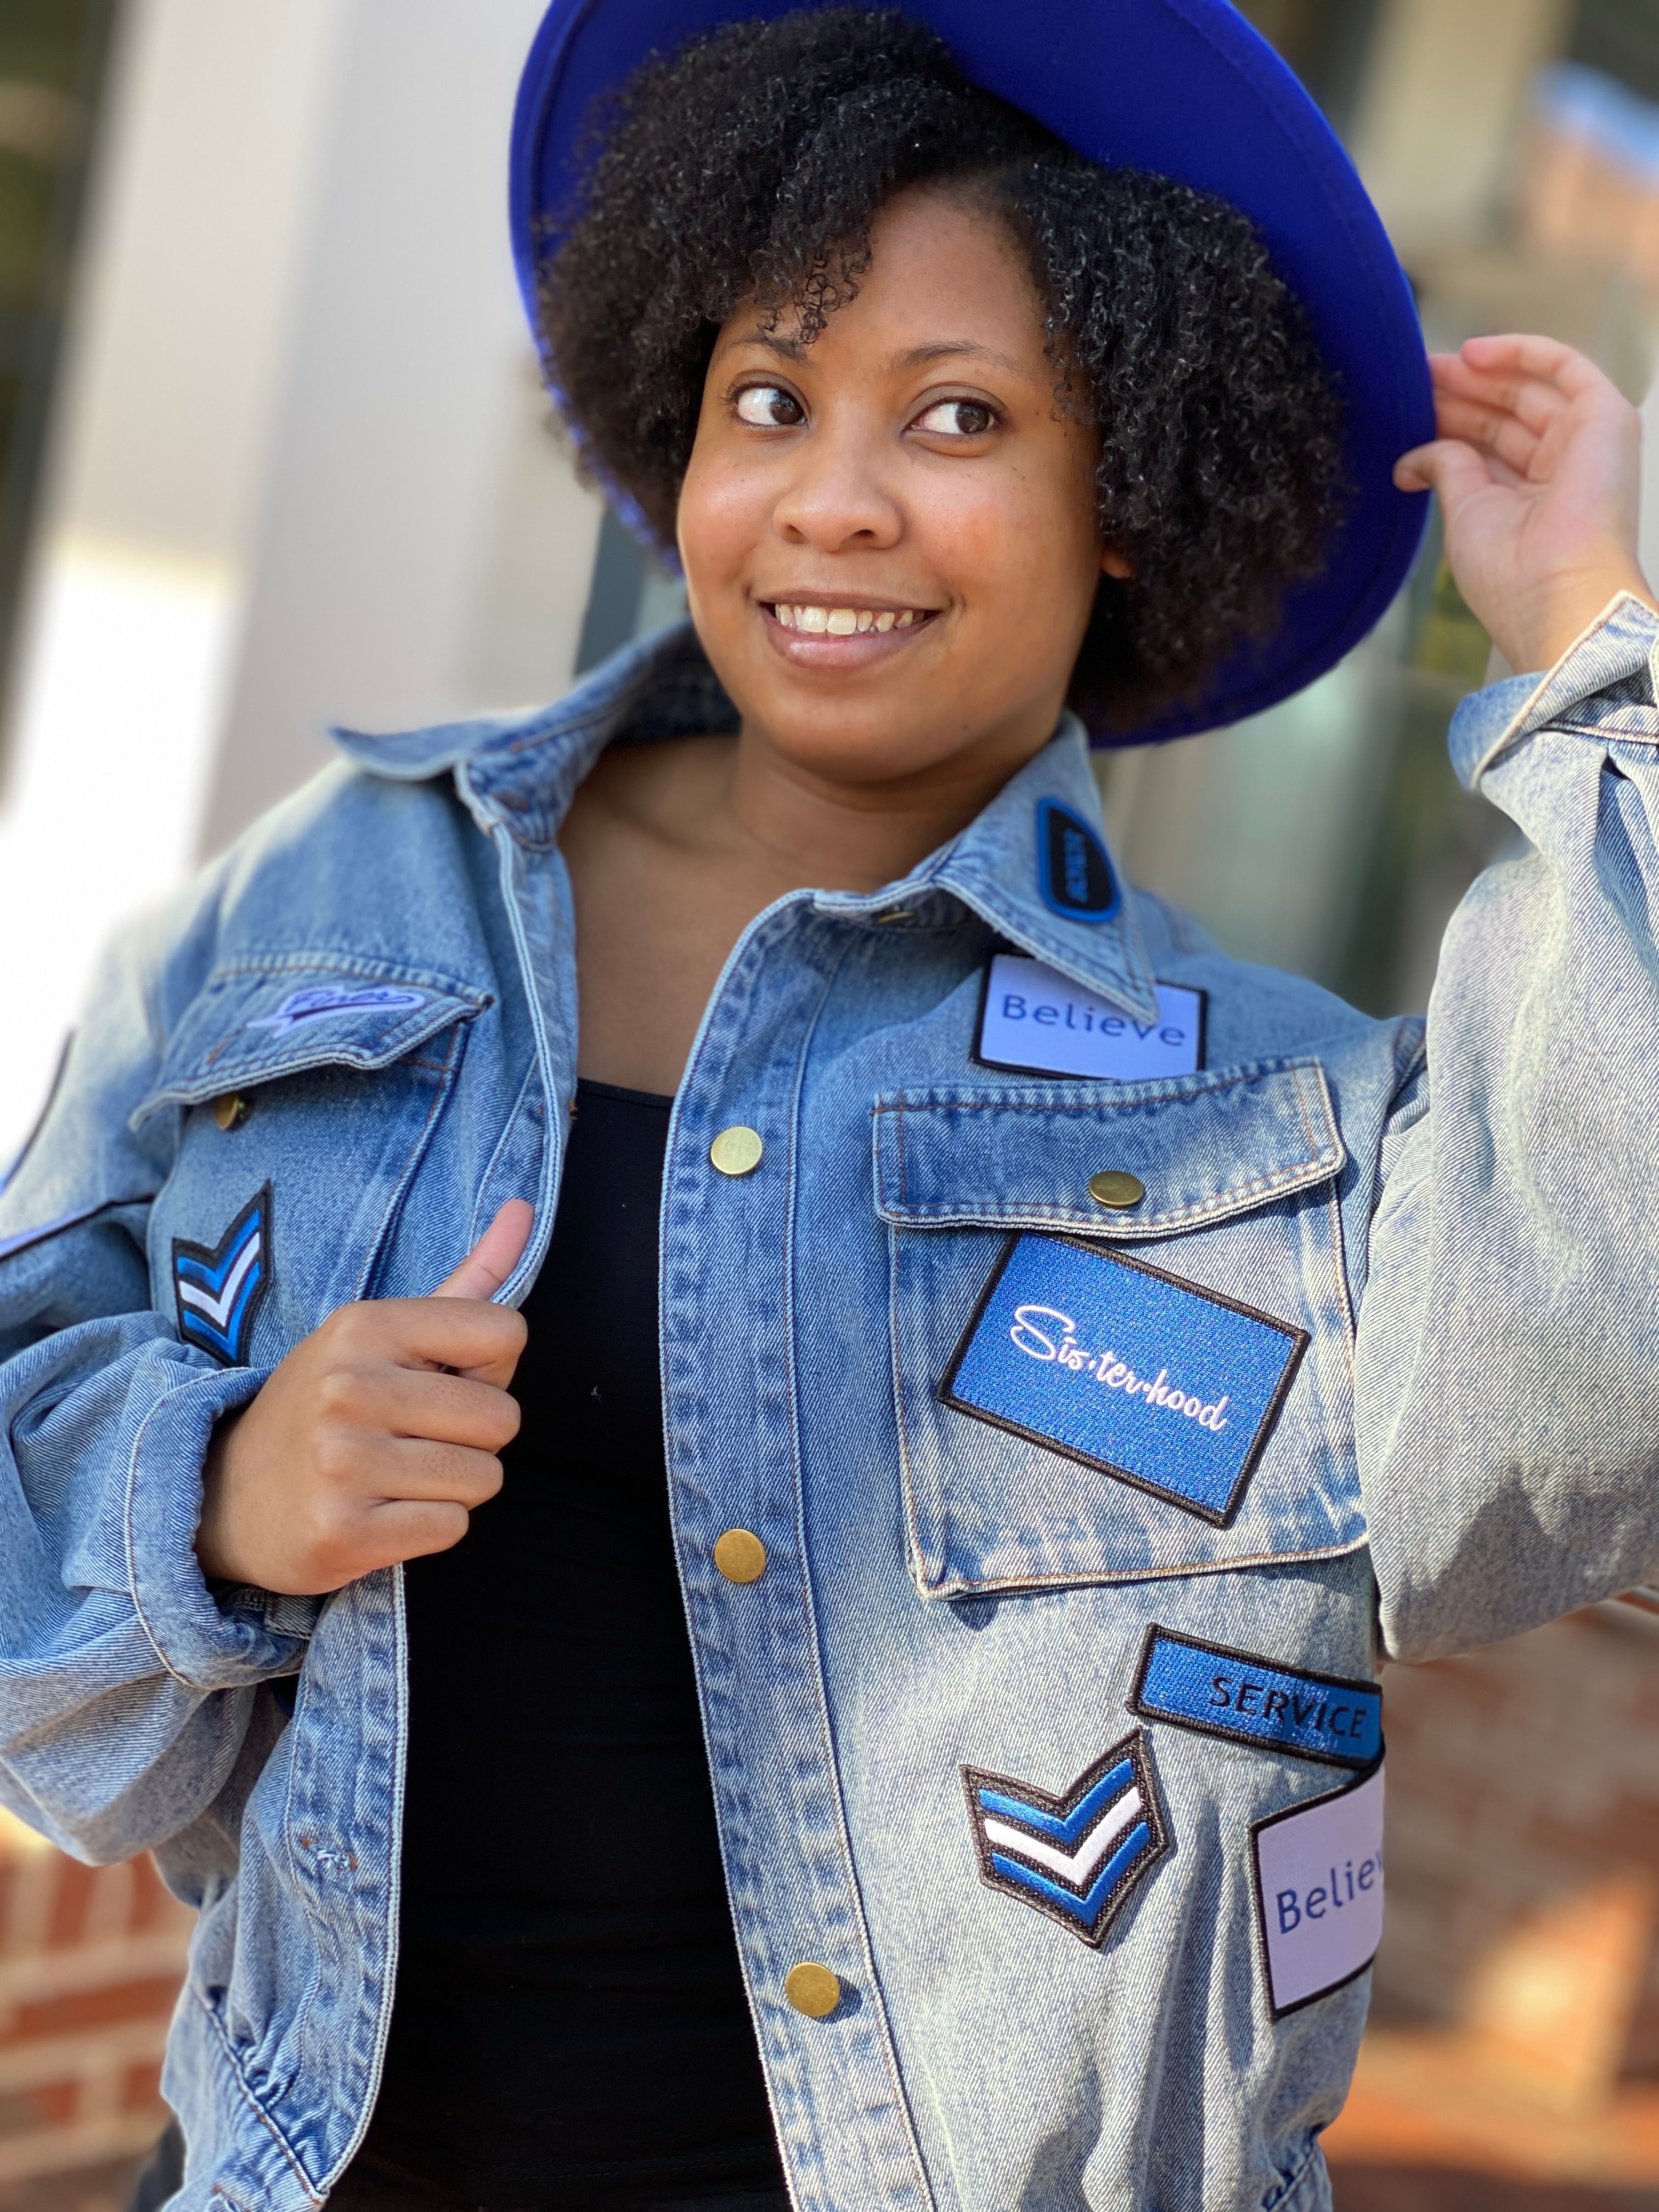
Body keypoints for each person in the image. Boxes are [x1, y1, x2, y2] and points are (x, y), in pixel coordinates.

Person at [4, 1, 1659, 2207]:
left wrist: (1588, 668)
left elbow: (1568, 1419)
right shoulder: (344, 896)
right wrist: (212, 1500)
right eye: (767, 399)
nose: (833, 498)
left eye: (958, 416)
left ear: (1131, 502)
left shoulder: (1268, 1111)